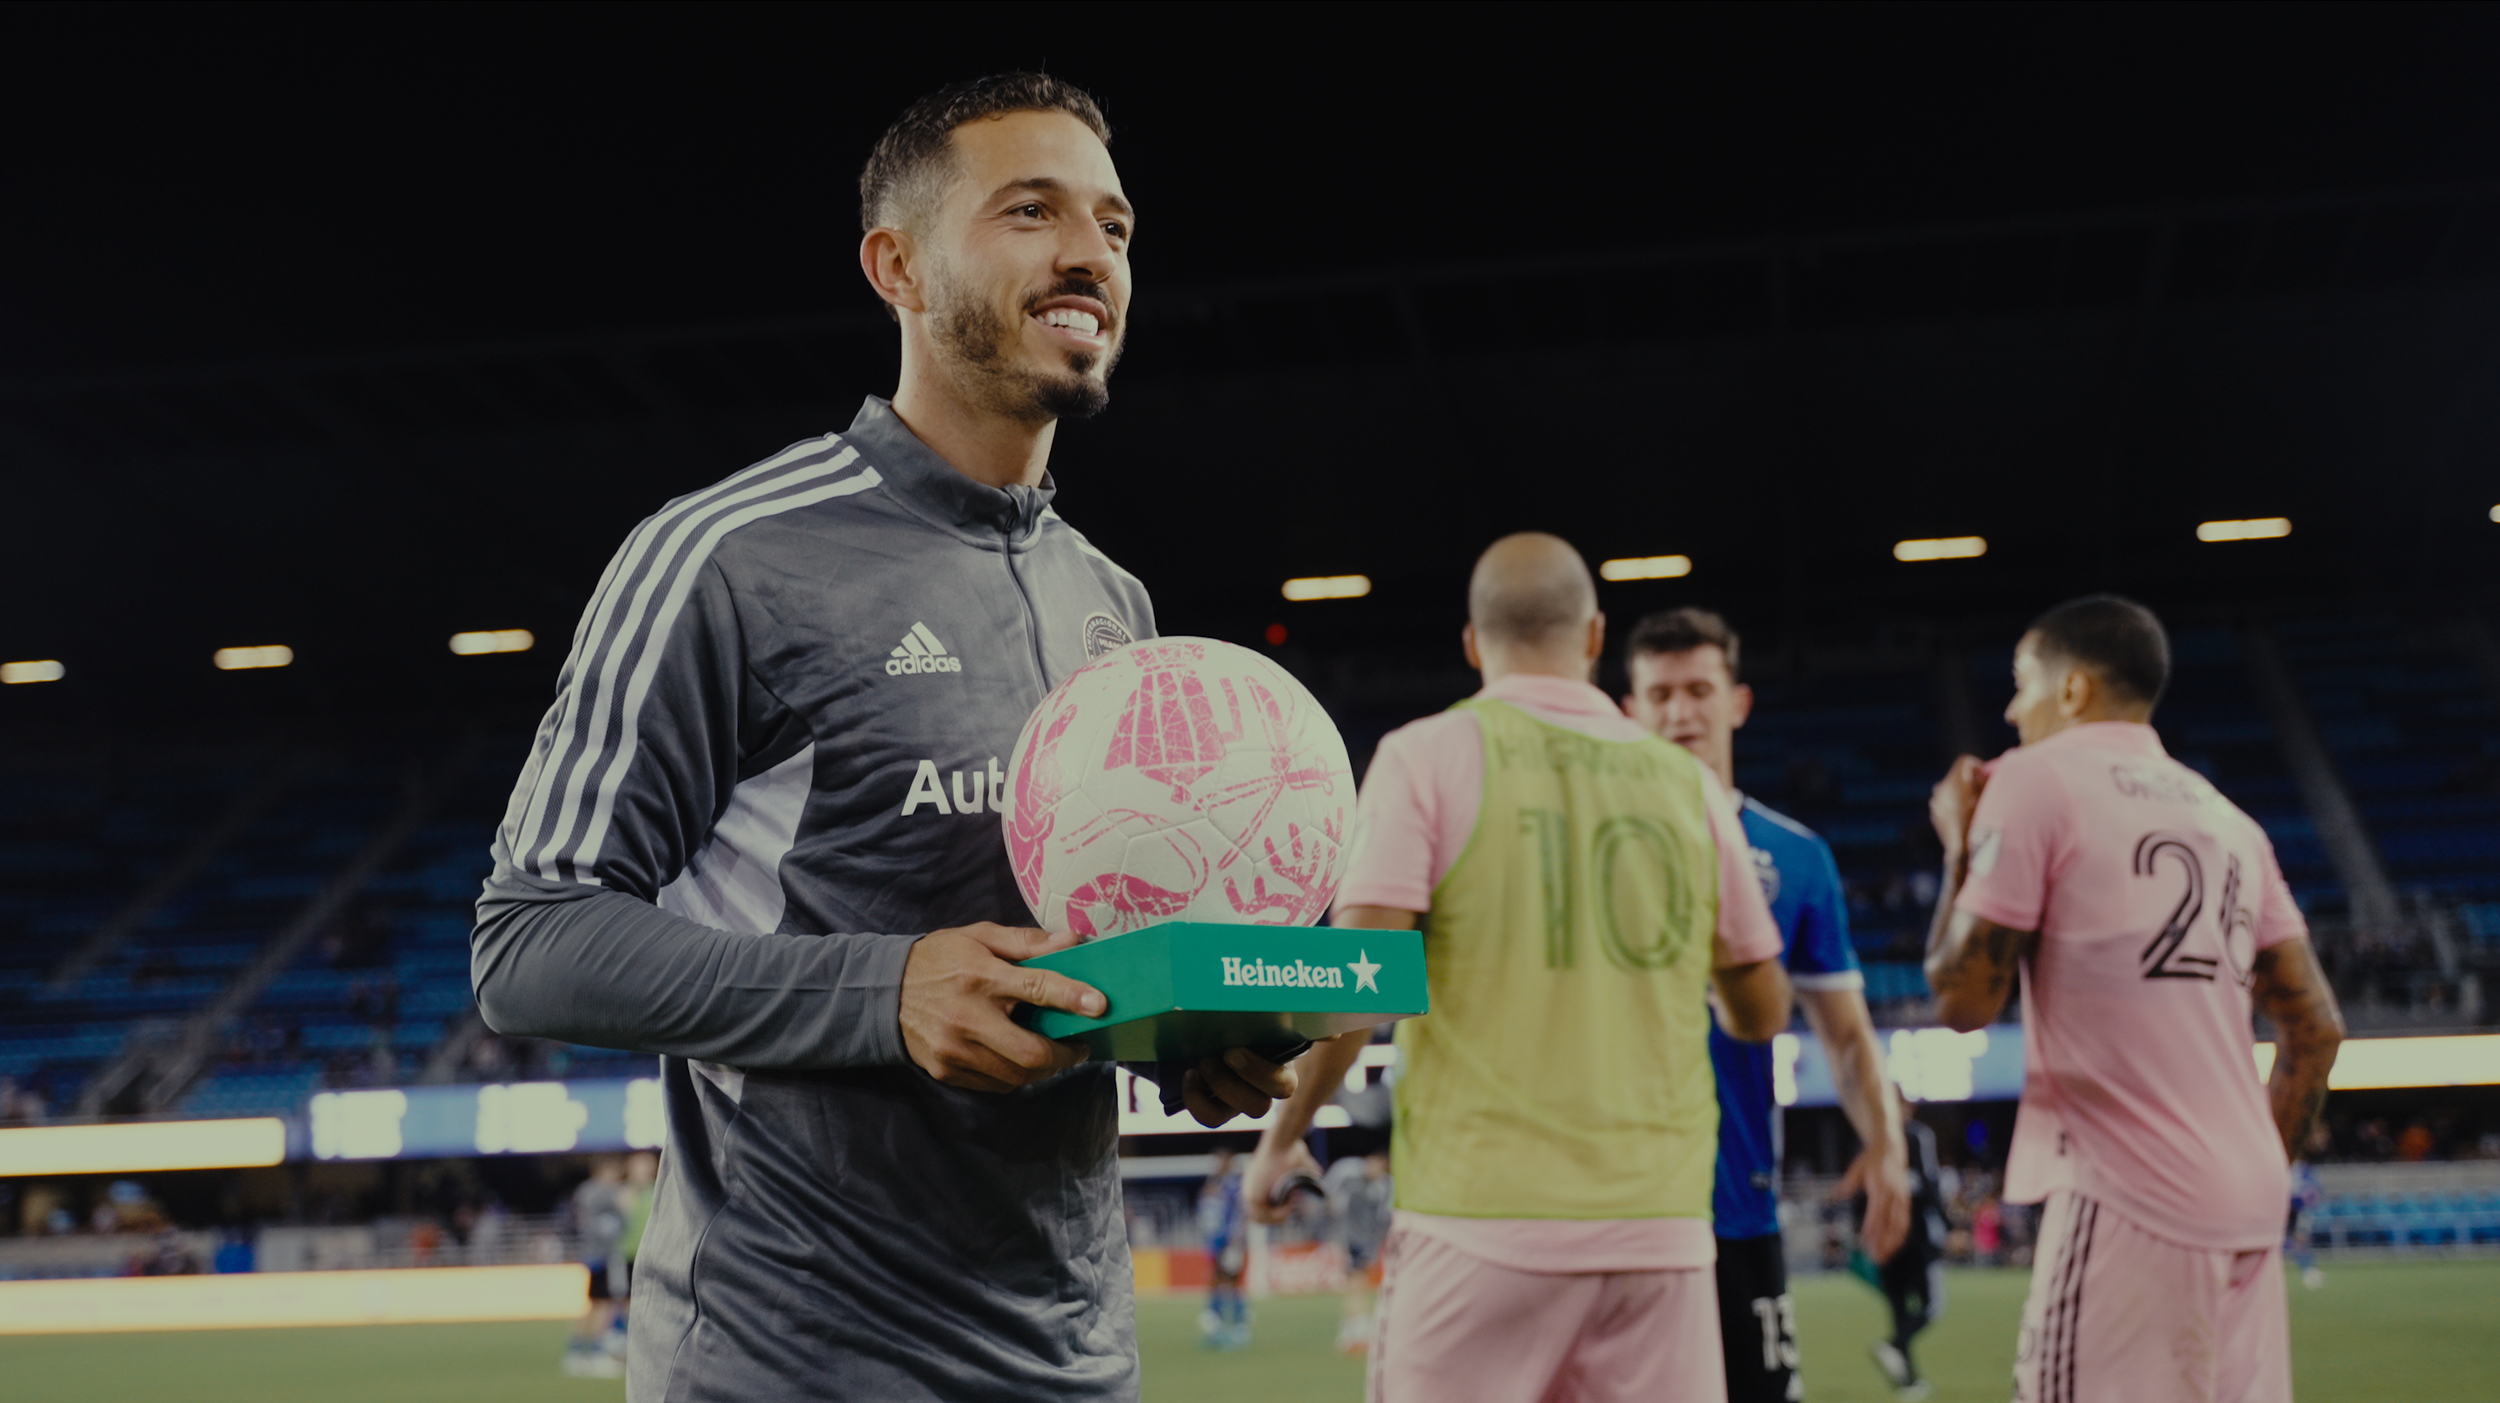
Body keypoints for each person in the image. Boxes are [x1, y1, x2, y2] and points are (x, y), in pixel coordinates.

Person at [470, 74, 1297, 1402]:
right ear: (896, 266)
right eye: (1030, 211)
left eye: (1114, 225)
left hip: (1073, 1360)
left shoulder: (1114, 602)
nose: (1090, 252)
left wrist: (1193, 1032)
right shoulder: (728, 556)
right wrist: (885, 991)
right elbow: (530, 939)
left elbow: (1074, 960)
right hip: (793, 1360)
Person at [1244, 532, 1791, 1403]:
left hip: (1479, 1222)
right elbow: (1761, 1010)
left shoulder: (1425, 755)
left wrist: (1281, 1142)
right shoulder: (1686, 784)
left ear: (1473, 643)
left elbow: (1357, 981)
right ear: (1595, 636)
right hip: (1659, 1228)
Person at [1924, 594, 2346, 1403]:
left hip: (2130, 1194)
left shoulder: (2033, 779)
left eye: (2021, 682)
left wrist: (1958, 851)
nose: (2012, 709)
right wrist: (2253, 1164)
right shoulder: (2231, 821)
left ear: (2073, 688)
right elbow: (2318, 1027)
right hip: (2250, 1202)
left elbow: (1961, 999)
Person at [1623, 606, 1912, 1403]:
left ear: (1737, 701)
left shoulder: (1796, 856)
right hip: (1615, 1206)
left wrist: (1886, 1145)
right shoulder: (1588, 845)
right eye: (1660, 694)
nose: (1681, 711)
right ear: (1630, 709)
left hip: (1737, 1208)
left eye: (1698, 689)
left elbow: (1847, 1037)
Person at [1843, 1102, 1947, 1400]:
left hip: (1883, 1239)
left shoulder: (1867, 1140)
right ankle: (1895, 1346)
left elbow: (1858, 1193)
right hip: (1915, 1235)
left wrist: (1862, 1233)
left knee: (1899, 1309)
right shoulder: (1916, 1135)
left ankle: (1908, 1382)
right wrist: (1946, 1222)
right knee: (1932, 1305)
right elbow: (1929, 1182)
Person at [563, 1157, 628, 1378]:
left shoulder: (585, 1193)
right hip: (601, 1255)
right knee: (603, 1304)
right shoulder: (600, 1194)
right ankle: (596, 1352)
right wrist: (621, 1207)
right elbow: (610, 1224)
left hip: (595, 1254)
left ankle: (577, 1351)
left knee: (596, 1305)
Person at [1325, 1149, 1395, 1353]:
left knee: (1358, 1283)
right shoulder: (1349, 1178)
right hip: (1351, 1240)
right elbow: (1334, 1204)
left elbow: (1383, 1217)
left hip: (1367, 1241)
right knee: (1356, 1282)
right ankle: (1358, 1327)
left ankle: (1351, 1329)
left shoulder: (1382, 1186)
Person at [1197, 1148, 1251, 1350]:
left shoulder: (1234, 1186)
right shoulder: (1213, 1185)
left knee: (1231, 1281)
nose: (1218, 1165)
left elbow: (1241, 1214)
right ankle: (1217, 1328)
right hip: (1215, 1241)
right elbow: (1207, 1213)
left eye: (1221, 1161)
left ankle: (1239, 1327)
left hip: (1230, 1241)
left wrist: (1236, 1240)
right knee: (1216, 1281)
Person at [2285, 1158, 2324, 1289]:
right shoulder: (2280, 1165)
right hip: (2284, 1209)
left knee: (2301, 1239)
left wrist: (2310, 1200)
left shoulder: (2302, 1168)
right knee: (2285, 1241)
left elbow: (2314, 1188)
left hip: (2301, 1209)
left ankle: (2308, 1269)